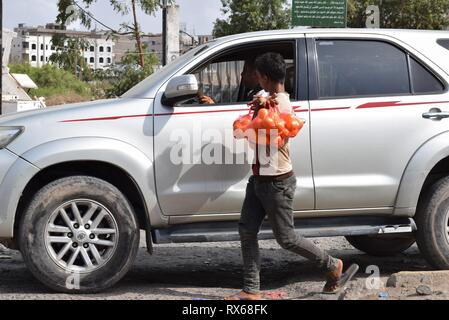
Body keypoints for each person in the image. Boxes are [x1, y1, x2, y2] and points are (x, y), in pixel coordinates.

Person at [225, 52, 357, 300]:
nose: (256, 80)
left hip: (276, 182)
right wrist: (254, 113)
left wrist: (253, 122)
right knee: (246, 229)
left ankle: (331, 265)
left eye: (257, 76)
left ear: (264, 77)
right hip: (259, 179)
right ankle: (251, 290)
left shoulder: (282, 106)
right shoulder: (268, 101)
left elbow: (272, 139)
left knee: (286, 238)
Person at [198, 59, 267, 104]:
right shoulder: (251, 92)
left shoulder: (262, 96)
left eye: (245, 70)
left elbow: (241, 117)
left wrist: (213, 105)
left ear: (256, 74)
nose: (242, 74)